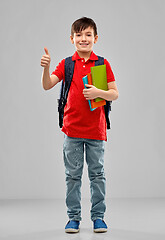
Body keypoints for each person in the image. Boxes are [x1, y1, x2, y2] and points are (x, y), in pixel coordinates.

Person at [40, 17, 119, 233]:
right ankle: (73, 218)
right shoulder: (67, 64)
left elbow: (114, 93)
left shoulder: (102, 63)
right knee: (72, 177)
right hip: (72, 131)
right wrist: (46, 68)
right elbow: (47, 85)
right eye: (79, 35)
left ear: (95, 38)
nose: (83, 39)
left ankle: (98, 218)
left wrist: (97, 92)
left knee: (97, 175)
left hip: (96, 131)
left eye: (87, 35)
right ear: (72, 38)